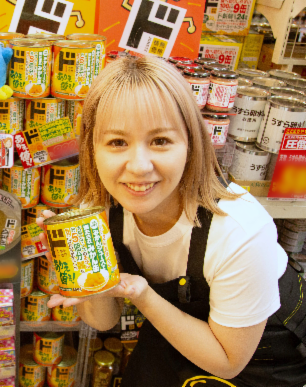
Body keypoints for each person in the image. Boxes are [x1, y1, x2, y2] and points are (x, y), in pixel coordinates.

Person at [37, 56, 306, 386]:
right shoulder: (99, 210)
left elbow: (228, 362)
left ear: (191, 143)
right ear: (92, 148)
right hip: (173, 330)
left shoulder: (240, 230)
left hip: (260, 356)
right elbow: (103, 321)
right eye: (117, 142)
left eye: (160, 141)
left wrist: (142, 296)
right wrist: (82, 278)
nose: (139, 166)